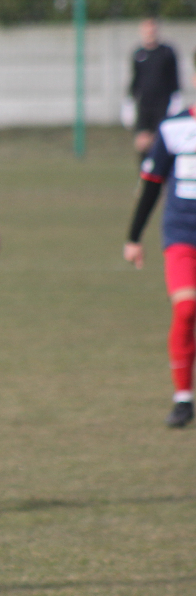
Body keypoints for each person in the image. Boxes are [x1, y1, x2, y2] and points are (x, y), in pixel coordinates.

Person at [124, 58, 196, 428]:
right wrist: (134, 238)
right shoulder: (174, 128)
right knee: (186, 310)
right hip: (182, 234)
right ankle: (183, 398)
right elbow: (151, 185)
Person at [129, 18, 182, 160]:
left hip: (163, 103)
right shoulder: (138, 54)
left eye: (152, 29)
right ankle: (144, 177)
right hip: (144, 104)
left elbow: (174, 77)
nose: (149, 33)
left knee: (160, 141)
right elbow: (135, 80)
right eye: (146, 29)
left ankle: (160, 177)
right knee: (142, 142)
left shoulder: (167, 52)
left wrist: (176, 99)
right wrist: (128, 101)